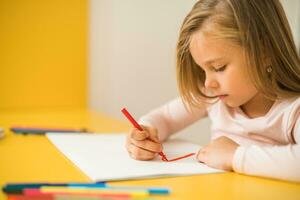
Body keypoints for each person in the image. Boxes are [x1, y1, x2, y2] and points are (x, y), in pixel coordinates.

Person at [125, 0, 300, 182]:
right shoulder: (213, 98)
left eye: (218, 67)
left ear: (264, 51)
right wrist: (144, 134)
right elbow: (165, 118)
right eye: (202, 70)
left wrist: (235, 157)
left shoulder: (292, 111)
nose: (208, 83)